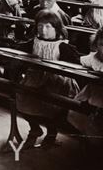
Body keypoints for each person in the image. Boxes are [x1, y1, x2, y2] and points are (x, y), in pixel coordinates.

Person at [17, 10, 80, 149]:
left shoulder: (62, 46)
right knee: (21, 101)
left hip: (57, 82)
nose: (43, 30)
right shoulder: (34, 42)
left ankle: (51, 133)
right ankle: (34, 129)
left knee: (51, 107)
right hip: (35, 78)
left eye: (48, 27)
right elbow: (19, 50)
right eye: (40, 26)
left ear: (56, 28)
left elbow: (76, 63)